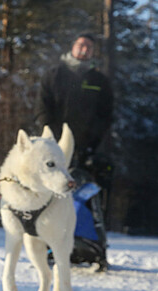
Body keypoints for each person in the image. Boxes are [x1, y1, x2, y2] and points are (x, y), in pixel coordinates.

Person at [32, 33, 113, 271]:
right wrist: (51, 140)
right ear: (73, 47)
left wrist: (91, 145)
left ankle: (89, 245)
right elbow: (43, 108)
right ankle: (46, 246)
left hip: (87, 148)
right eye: (81, 45)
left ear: (93, 52)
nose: (84, 49)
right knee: (50, 196)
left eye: (89, 46)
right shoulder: (54, 75)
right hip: (54, 148)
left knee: (84, 197)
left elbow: (105, 115)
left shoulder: (99, 80)